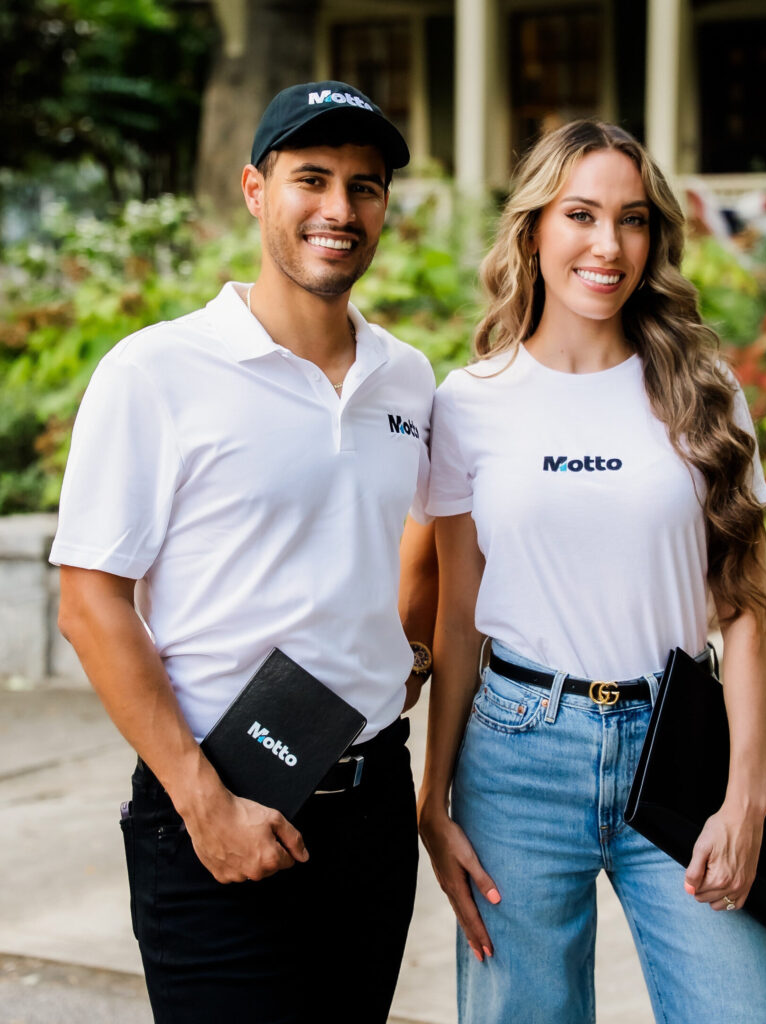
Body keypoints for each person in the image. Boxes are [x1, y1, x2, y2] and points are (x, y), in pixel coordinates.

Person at [51, 80, 437, 1024]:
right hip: (215, 793)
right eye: (312, 179)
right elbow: (89, 602)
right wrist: (202, 802)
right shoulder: (156, 372)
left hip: (371, 798)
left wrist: (409, 656)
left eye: (366, 186)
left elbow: (424, 541)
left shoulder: (409, 378)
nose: (339, 210)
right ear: (255, 190)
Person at [418, 119, 766, 1023]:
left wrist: (748, 796)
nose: (606, 244)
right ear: (534, 231)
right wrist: (432, 797)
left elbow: (741, 609)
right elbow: (459, 615)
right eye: (579, 214)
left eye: (630, 219)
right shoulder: (468, 404)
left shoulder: (701, 387)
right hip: (516, 754)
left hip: (681, 743)